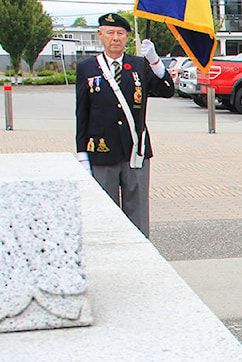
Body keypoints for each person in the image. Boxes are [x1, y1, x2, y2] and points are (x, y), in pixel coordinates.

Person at [75, 13, 175, 238]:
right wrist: (82, 154)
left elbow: (167, 90)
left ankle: (140, 253)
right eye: (110, 33)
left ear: (128, 37)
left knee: (137, 211)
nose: (115, 38)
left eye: (120, 33)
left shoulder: (139, 65)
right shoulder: (87, 68)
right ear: (100, 35)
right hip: (102, 149)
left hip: (135, 151)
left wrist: (155, 61)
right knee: (105, 211)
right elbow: (82, 112)